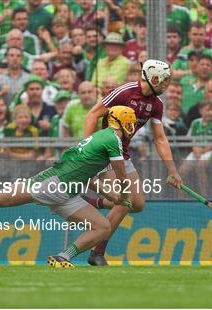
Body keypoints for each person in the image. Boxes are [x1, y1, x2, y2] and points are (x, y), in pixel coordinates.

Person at [0, 106, 138, 268]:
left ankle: (63, 257)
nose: (134, 127)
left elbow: (90, 179)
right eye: (133, 122)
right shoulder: (112, 139)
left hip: (68, 193)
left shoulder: (102, 138)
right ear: (125, 122)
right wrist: (124, 195)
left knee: (102, 227)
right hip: (54, 183)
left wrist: (117, 199)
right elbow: (120, 173)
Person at [83, 59, 182, 266]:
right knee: (124, 201)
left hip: (123, 154)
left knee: (137, 204)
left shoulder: (156, 104)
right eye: (164, 81)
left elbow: (160, 138)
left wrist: (173, 170)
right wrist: (86, 149)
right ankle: (97, 253)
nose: (167, 85)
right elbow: (92, 114)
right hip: (104, 150)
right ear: (153, 78)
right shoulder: (125, 92)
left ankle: (94, 202)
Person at [179, 98, 212, 195]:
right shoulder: (195, 123)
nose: (211, 112)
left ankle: (204, 195)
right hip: (196, 151)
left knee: (200, 165)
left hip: (211, 152)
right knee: (182, 170)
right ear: (201, 111)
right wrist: (195, 149)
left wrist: (202, 151)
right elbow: (190, 139)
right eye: (208, 110)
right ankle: (180, 197)